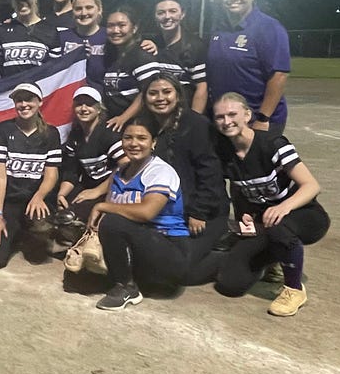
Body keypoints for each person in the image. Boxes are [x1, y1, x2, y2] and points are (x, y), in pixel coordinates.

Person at [208, 93, 329, 316]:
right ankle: (274, 258)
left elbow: (311, 185)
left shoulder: (272, 143)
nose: (226, 121)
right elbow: (240, 189)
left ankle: (294, 289)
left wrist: (285, 206)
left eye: (232, 114)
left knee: (278, 225)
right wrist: (246, 216)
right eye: (220, 117)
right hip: (267, 222)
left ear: (247, 115)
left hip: (305, 216)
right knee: (230, 284)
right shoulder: (224, 154)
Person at [89, 117, 190, 311]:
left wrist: (102, 207)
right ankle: (126, 278)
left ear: (153, 143)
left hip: (168, 250)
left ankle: (127, 287)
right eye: (128, 138)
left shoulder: (160, 171)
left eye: (141, 138)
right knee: (106, 221)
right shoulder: (120, 171)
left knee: (112, 221)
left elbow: (146, 213)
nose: (134, 143)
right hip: (144, 248)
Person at [140, 73, 229, 282]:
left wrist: (199, 212)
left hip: (203, 213)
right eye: (153, 93)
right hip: (168, 211)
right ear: (144, 99)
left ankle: (230, 256)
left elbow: (211, 175)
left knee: (180, 270)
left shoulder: (196, 125)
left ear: (178, 95)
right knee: (153, 264)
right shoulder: (145, 126)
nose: (160, 98)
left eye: (166, 92)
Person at [0, 83, 62, 270]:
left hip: (35, 200)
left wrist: (39, 196)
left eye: (29, 99)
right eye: (19, 100)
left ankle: (25, 232)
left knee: (37, 257)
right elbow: (0, 176)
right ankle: (14, 230)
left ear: (39, 102)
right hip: (8, 201)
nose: (24, 104)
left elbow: (51, 173)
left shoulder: (51, 133)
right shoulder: (2, 130)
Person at [207, 0, 291, 134]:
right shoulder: (218, 29)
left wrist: (263, 118)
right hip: (226, 118)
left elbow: (279, 75)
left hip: (257, 120)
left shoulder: (268, 27)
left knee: (257, 159)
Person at [55, 86, 123, 238]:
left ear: (99, 109)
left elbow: (126, 167)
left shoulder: (109, 133)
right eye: (79, 104)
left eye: (89, 104)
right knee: (59, 208)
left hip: (112, 188)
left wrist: (97, 191)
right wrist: (61, 194)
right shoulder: (76, 135)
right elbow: (71, 171)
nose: (84, 108)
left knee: (74, 215)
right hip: (88, 185)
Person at [144, 0, 208, 113]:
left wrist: (194, 120)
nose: (167, 16)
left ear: (182, 14)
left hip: (183, 114)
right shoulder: (149, 43)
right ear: (155, 16)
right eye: (161, 12)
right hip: (154, 114)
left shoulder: (195, 46)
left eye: (173, 11)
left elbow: (201, 87)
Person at [101, 5, 159, 131]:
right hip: (116, 123)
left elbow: (148, 92)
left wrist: (123, 118)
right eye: (111, 26)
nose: (116, 30)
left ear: (134, 28)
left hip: (138, 125)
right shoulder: (111, 56)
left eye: (122, 25)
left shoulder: (142, 56)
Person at [0, 0, 61, 76]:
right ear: (12, 2)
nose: (22, 2)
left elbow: (55, 71)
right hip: (10, 90)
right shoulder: (2, 30)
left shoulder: (50, 31)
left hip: (39, 89)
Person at [57, 0, 107, 88]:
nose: (84, 13)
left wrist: (146, 43)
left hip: (101, 97)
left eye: (89, 7)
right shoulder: (61, 37)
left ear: (99, 9)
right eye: (78, 9)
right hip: (69, 95)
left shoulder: (109, 36)